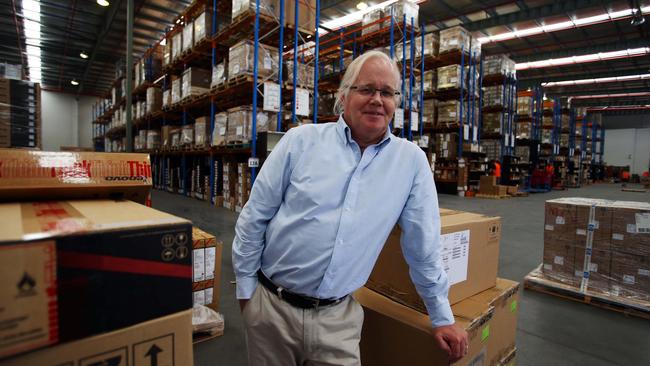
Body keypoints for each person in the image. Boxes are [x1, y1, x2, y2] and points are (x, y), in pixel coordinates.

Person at [232, 50, 468, 366]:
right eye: (366, 89)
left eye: (387, 92)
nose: (377, 99)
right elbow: (254, 216)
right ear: (344, 96)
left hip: (337, 320)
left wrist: (442, 316)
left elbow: (422, 247)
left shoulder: (411, 163)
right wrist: (247, 292)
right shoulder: (300, 142)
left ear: (396, 102)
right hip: (272, 309)